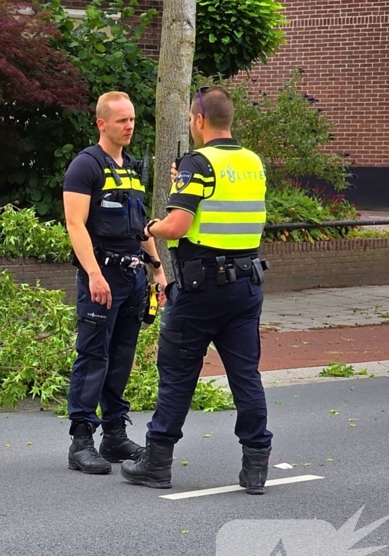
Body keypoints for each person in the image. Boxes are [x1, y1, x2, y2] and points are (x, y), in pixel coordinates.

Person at [120, 85, 273, 494]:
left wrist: (150, 228)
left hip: (201, 288)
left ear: (200, 120)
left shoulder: (197, 162)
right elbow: (223, 201)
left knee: (176, 374)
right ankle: (256, 466)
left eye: (190, 119)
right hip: (246, 285)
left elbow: (177, 226)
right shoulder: (252, 162)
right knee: (246, 376)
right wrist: (183, 183)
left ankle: (157, 463)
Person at [63, 91, 167, 475]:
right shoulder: (85, 166)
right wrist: (93, 273)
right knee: (93, 356)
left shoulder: (131, 169)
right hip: (102, 277)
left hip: (133, 278)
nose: (130, 126)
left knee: (121, 357)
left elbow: (140, 226)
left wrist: (157, 270)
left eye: (132, 119)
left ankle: (114, 436)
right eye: (122, 120)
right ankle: (81, 441)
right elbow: (75, 224)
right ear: (101, 123)